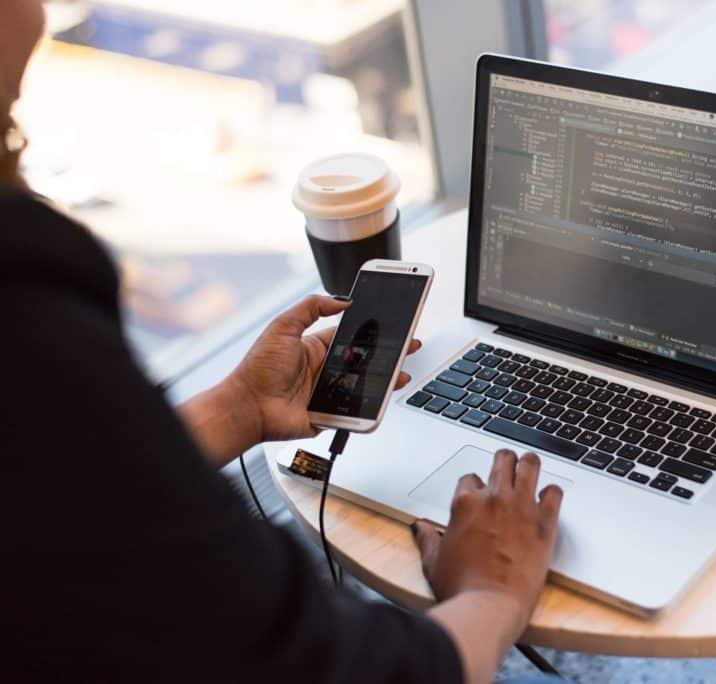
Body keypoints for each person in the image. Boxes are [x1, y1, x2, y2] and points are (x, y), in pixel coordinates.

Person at [0, 2, 563, 682]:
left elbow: (70, 497)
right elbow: (338, 668)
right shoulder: (29, 326)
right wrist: (492, 594)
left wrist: (238, 406)